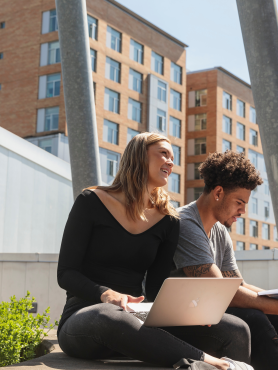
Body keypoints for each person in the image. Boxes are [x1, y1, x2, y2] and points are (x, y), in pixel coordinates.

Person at [57, 134, 252, 370]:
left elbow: (156, 289)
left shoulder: (168, 220)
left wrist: (190, 311)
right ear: (139, 156)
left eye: (173, 156)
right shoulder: (91, 201)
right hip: (86, 317)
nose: (171, 161)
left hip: (138, 319)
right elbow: (66, 273)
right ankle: (211, 364)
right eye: (163, 153)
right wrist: (107, 294)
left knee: (235, 328)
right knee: (109, 315)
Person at [172, 150, 278, 370]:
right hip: (178, 319)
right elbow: (220, 292)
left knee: (270, 316)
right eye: (239, 202)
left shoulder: (220, 231)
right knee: (254, 319)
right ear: (218, 192)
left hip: (206, 313)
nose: (243, 211)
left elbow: (238, 284)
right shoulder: (185, 223)